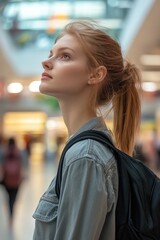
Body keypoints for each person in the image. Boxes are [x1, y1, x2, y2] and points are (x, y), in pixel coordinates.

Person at [33, 20, 141, 240]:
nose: (46, 62)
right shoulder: (85, 149)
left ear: (95, 75)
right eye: (51, 53)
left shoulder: (86, 156)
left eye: (65, 56)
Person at [1, 137, 23, 223]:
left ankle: (10, 212)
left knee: (8, 197)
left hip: (6, 179)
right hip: (16, 180)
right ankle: (12, 211)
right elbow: (23, 165)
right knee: (13, 198)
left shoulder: (3, 152)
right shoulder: (19, 152)